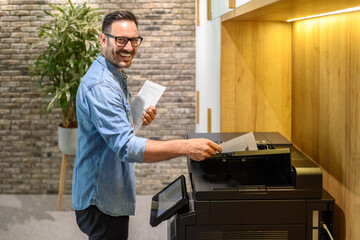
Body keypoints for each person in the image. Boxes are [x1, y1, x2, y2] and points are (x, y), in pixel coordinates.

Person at [72, 10, 222, 240]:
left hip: (107, 188)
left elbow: (112, 131)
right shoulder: (101, 85)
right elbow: (126, 147)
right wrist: (187, 147)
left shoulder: (112, 74)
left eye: (134, 40)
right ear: (103, 39)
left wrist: (134, 119)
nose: (129, 47)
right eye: (121, 40)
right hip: (100, 199)